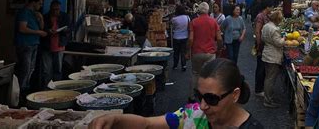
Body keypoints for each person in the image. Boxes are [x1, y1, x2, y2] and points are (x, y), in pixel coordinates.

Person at [88, 58, 263, 129]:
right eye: (199, 96)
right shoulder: (192, 115)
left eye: (211, 98)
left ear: (235, 95)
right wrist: (114, 119)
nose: (203, 105)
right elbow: (148, 124)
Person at [14, 0, 48, 93]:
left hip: (34, 43)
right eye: (39, 4)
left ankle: (25, 88)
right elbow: (22, 28)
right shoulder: (24, 12)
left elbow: (41, 27)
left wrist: (41, 19)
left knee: (31, 68)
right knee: (25, 68)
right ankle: (19, 90)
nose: (40, 6)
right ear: (33, 2)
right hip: (25, 44)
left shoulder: (34, 14)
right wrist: (38, 32)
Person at [187, 2, 223, 93]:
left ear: (199, 10)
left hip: (196, 52)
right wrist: (219, 48)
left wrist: (187, 51)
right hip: (210, 53)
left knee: (195, 73)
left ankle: (192, 96)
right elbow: (219, 38)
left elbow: (191, 39)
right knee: (209, 75)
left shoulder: (194, 22)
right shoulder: (213, 21)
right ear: (208, 10)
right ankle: (207, 95)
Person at [41, 1, 70, 87]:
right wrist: (48, 30)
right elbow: (42, 27)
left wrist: (65, 30)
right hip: (47, 46)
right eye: (53, 9)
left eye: (57, 9)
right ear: (50, 8)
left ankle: (57, 87)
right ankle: (47, 87)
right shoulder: (45, 17)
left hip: (59, 45)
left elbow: (70, 28)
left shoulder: (64, 16)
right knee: (46, 70)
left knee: (58, 69)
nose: (55, 11)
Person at [261, 10, 285, 108]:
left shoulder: (266, 26)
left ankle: (267, 98)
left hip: (266, 53)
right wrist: (284, 38)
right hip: (273, 56)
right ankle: (268, 100)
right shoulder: (274, 29)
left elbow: (263, 38)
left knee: (268, 77)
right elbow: (279, 43)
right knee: (270, 79)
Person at [254, 0, 273, 97]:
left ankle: (261, 87)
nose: (272, 8)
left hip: (265, 44)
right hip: (261, 45)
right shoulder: (260, 16)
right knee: (260, 67)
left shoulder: (266, 16)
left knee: (263, 66)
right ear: (267, 7)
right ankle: (258, 89)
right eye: (271, 6)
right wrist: (259, 44)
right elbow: (257, 31)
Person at [171, 5, 191, 71]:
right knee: (183, 52)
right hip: (185, 36)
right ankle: (184, 65)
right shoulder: (187, 17)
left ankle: (175, 65)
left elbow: (173, 27)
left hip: (176, 37)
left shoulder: (174, 19)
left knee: (176, 52)